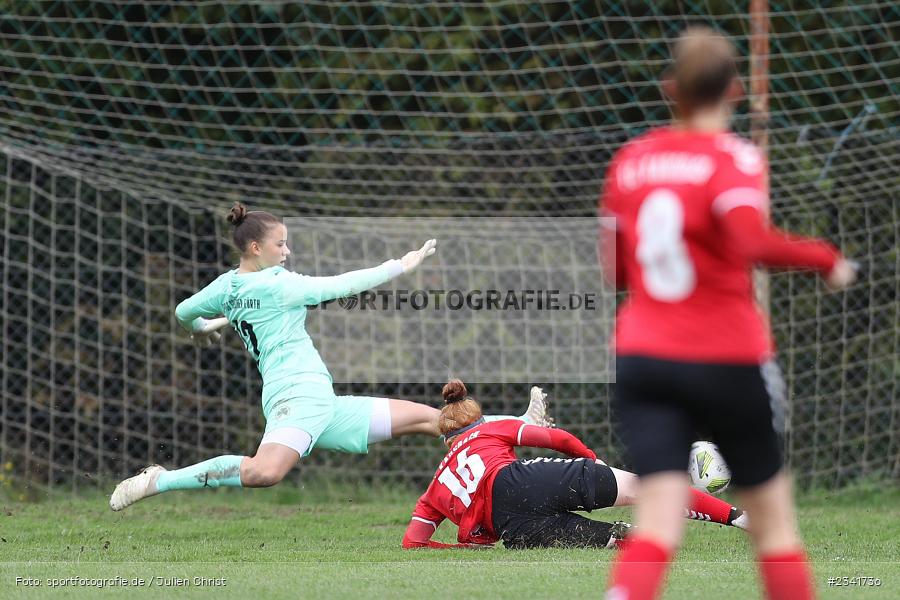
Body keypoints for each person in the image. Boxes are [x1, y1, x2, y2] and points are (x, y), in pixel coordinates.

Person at [599, 27, 856, 600]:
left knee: (659, 521)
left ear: (671, 89)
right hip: (724, 354)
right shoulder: (734, 156)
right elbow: (748, 240)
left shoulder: (631, 161)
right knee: (773, 524)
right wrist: (824, 258)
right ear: (735, 90)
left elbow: (613, 272)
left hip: (643, 355)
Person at [109, 203, 549, 510]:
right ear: (256, 249)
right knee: (265, 473)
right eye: (280, 244)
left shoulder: (227, 287)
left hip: (318, 402)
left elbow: (183, 311)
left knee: (438, 421)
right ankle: (159, 480)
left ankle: (523, 425)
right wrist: (400, 265)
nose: (287, 251)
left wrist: (202, 329)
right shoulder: (280, 284)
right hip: (297, 398)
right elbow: (340, 285)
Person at [401, 380, 748, 550]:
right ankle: (742, 519)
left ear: (445, 438)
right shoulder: (490, 428)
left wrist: (464, 552)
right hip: (522, 481)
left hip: (510, 527)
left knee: (612, 542)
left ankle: (617, 536)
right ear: (477, 419)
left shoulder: (433, 489)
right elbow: (560, 440)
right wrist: (590, 461)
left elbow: (413, 544)